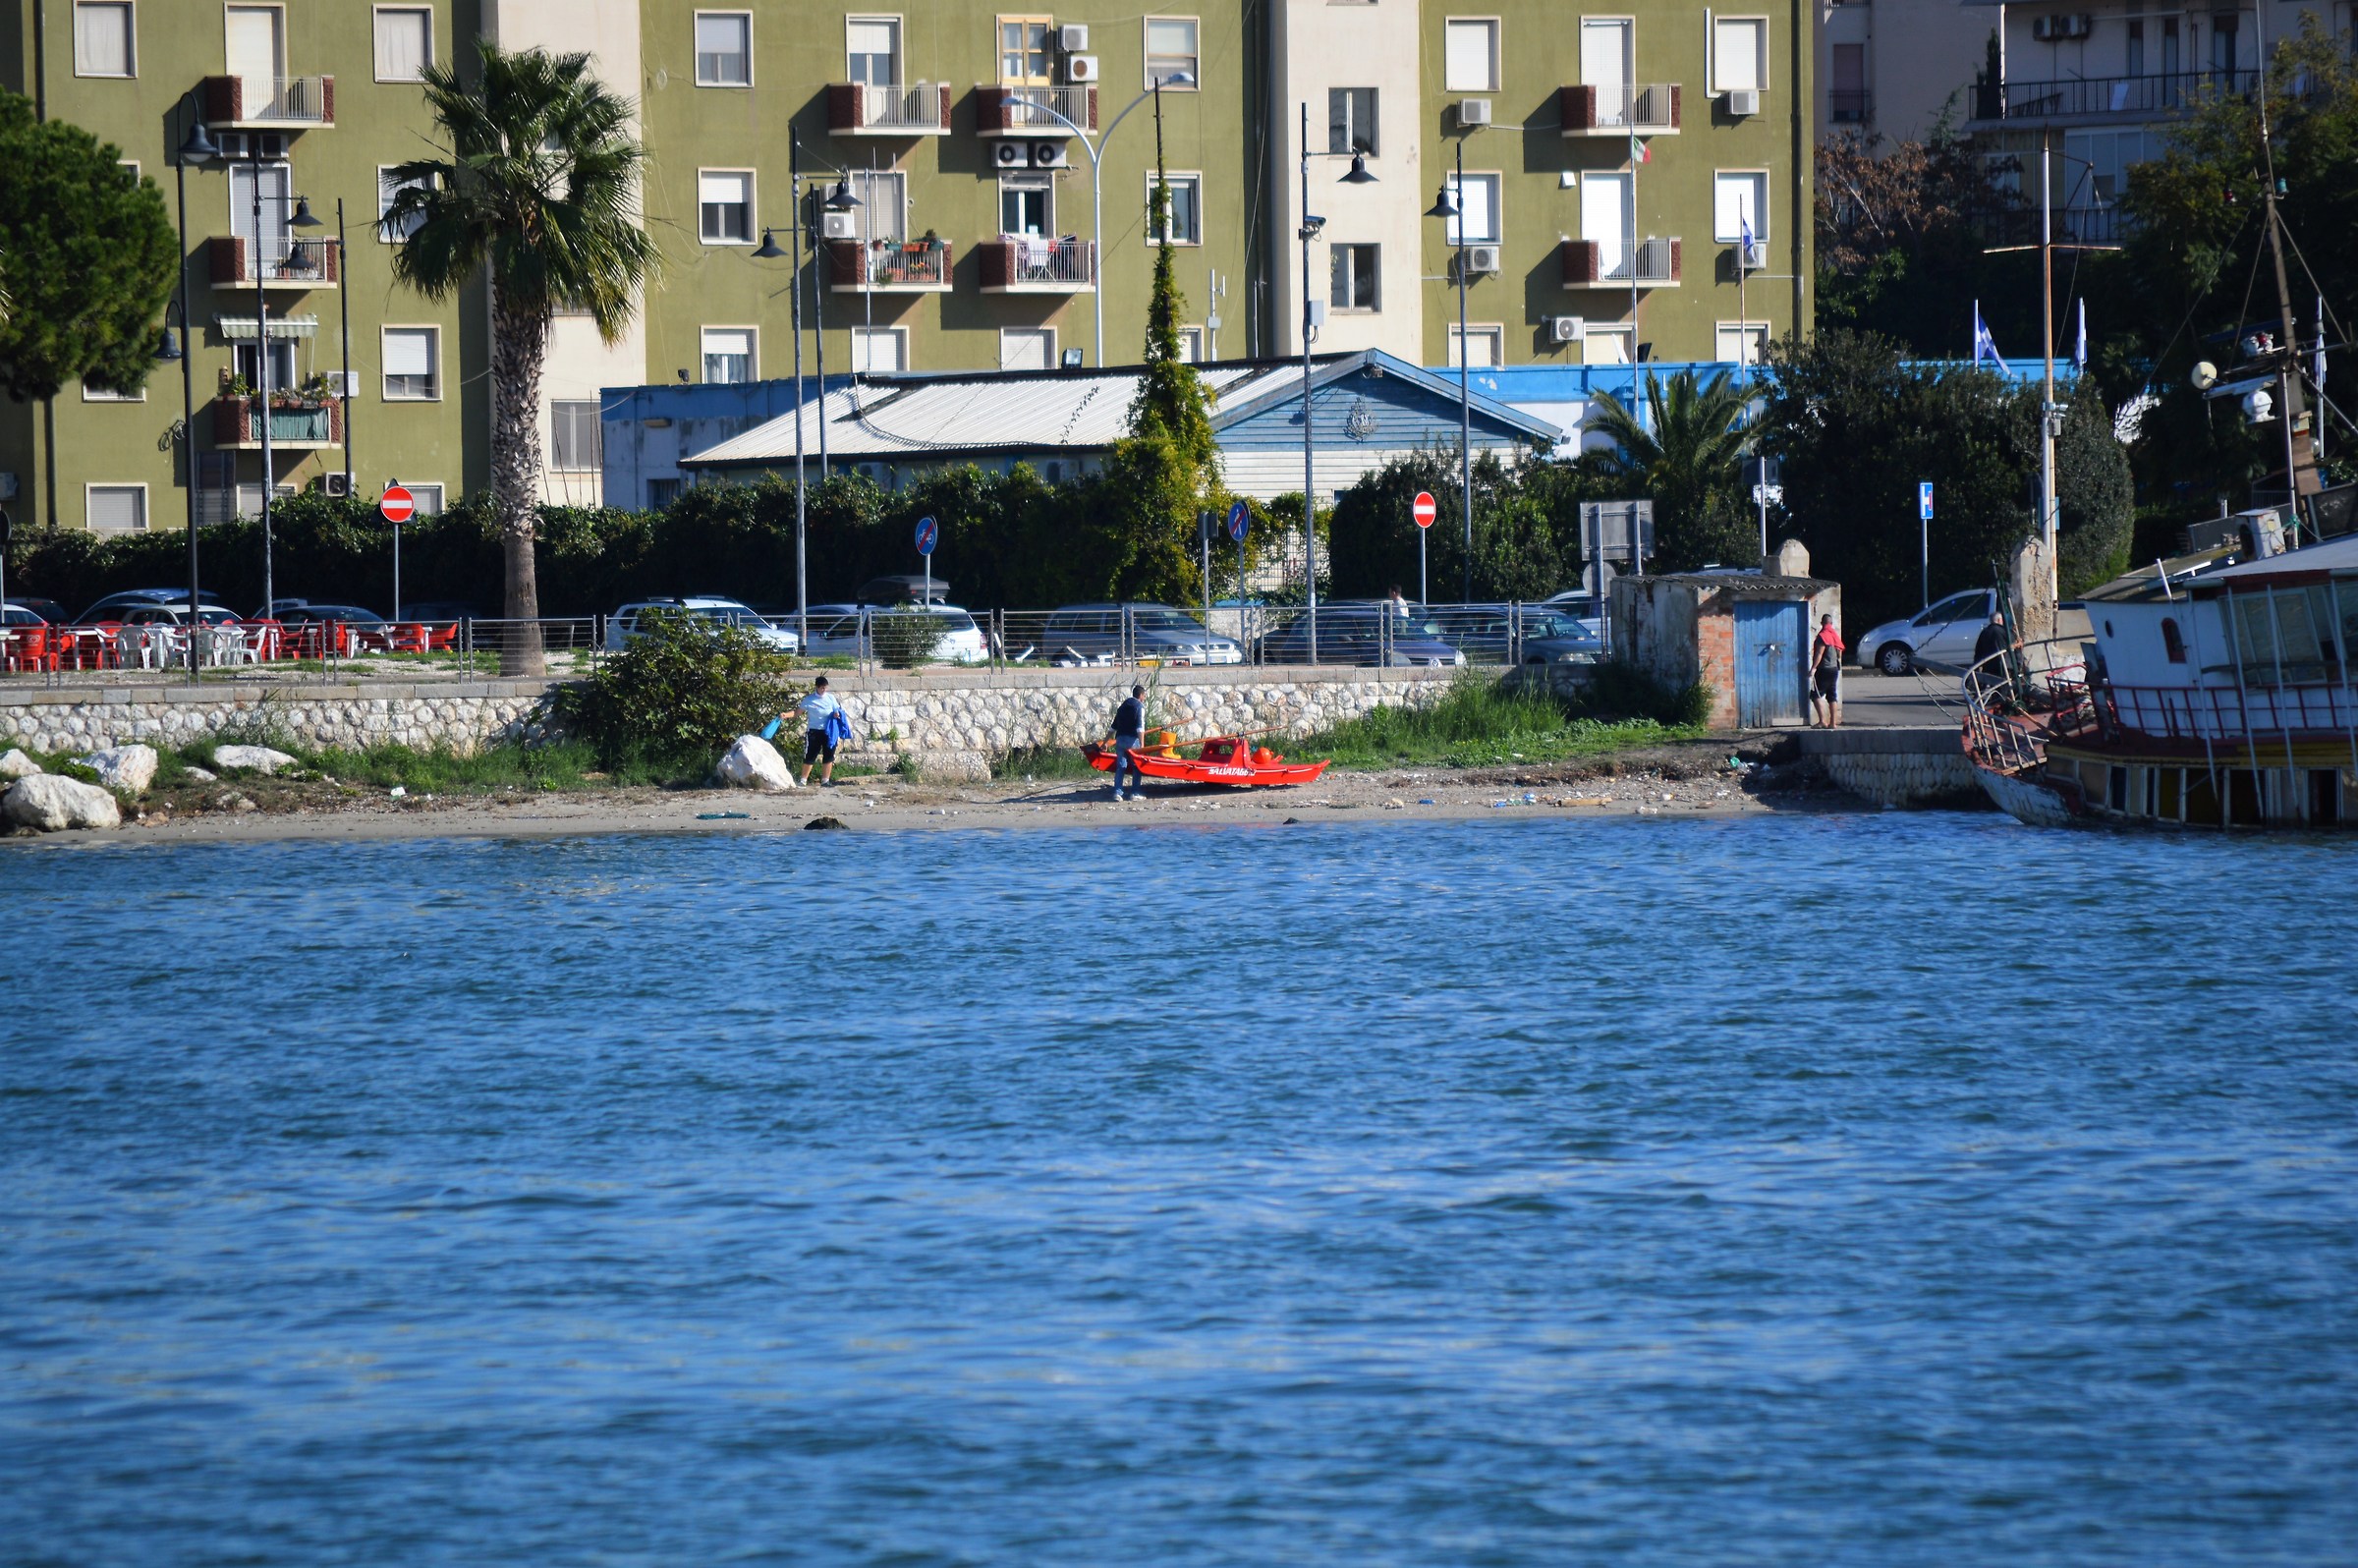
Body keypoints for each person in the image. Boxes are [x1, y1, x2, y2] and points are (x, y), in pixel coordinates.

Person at [798, 675, 844, 787]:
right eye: (822, 687)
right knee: (811, 755)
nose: (824, 690)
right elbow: (797, 713)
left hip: (829, 731)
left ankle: (825, 781)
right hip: (814, 731)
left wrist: (837, 714)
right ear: (817, 687)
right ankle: (803, 780)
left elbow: (837, 709)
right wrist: (785, 715)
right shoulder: (809, 700)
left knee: (829, 755)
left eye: (825, 687)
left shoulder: (830, 698)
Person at [1110, 683, 1146, 801]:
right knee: (1137, 766)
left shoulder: (1122, 707)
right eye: (1144, 696)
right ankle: (1134, 792)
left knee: (1121, 766)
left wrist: (1105, 742)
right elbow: (1140, 728)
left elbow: (1113, 727)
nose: (1144, 698)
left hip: (1120, 739)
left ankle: (1117, 792)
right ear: (1141, 695)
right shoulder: (1139, 707)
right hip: (1132, 740)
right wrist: (1142, 745)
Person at [1809, 613, 1843, 729]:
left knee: (1815, 695)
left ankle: (1822, 721)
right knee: (1832, 696)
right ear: (1831, 624)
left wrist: (1813, 668)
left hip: (1824, 669)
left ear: (1822, 623)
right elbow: (1839, 653)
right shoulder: (1835, 636)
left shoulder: (1822, 636)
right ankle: (1833, 723)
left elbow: (1819, 653)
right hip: (1834, 669)